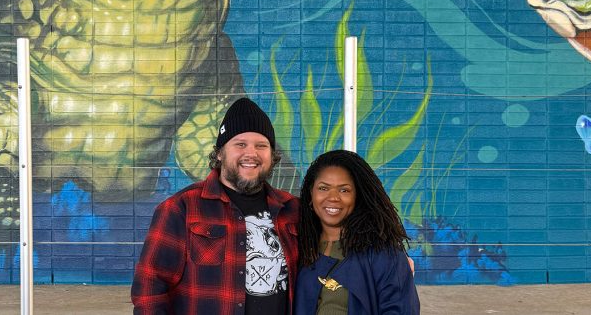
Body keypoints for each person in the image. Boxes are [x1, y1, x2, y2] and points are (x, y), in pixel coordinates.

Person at [132, 97, 299, 315]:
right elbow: (149, 291)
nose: (251, 153)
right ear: (220, 153)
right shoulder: (181, 208)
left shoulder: (293, 210)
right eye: (240, 144)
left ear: (272, 155)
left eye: (261, 145)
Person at [295, 150, 420, 315]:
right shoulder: (296, 248)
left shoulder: (384, 256)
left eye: (344, 190)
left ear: (358, 196)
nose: (333, 197)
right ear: (311, 194)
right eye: (323, 188)